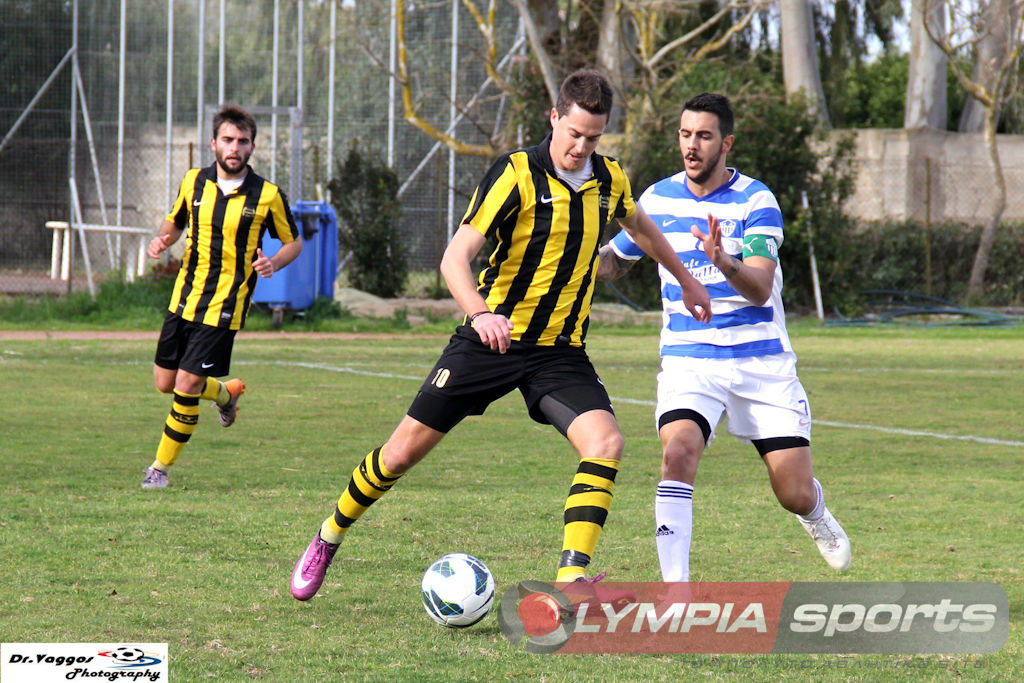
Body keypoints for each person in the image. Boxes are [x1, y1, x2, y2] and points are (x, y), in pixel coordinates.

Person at [289, 69, 712, 601]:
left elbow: (642, 228)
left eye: (593, 137)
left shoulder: (610, 179)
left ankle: (571, 577)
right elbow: (454, 258)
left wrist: (689, 279)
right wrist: (480, 313)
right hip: (488, 341)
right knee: (398, 456)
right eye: (573, 133)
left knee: (606, 443)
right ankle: (329, 536)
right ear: (553, 118)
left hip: (559, 351)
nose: (581, 147)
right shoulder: (514, 174)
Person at [598, 92, 851, 580]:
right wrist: (579, 249)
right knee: (678, 453)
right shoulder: (655, 199)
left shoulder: (757, 201)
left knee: (792, 492)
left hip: (761, 364)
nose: (692, 146)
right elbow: (616, 262)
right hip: (691, 360)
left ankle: (814, 512)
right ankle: (677, 594)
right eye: (685, 135)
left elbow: (758, 289)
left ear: (726, 143)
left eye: (704, 136)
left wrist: (723, 261)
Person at [141, 104, 302, 489]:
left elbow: (293, 242)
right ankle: (226, 394)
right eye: (228, 140)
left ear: (251, 147)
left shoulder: (267, 195)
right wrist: (163, 238)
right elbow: (176, 220)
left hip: (226, 306)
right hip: (184, 298)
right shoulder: (194, 181)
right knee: (165, 383)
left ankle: (159, 470)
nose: (235, 147)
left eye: (242, 141)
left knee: (186, 385)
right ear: (213, 143)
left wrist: (274, 263)